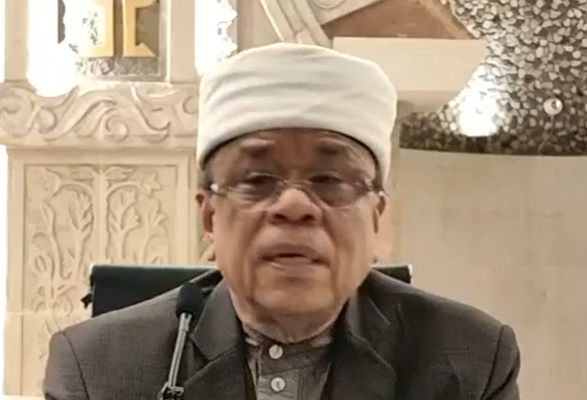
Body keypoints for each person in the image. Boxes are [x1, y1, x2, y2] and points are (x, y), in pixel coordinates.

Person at [43, 43, 520, 400]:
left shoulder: (469, 359)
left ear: (377, 216)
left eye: (330, 179)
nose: (294, 206)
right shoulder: (97, 369)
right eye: (257, 180)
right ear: (210, 215)